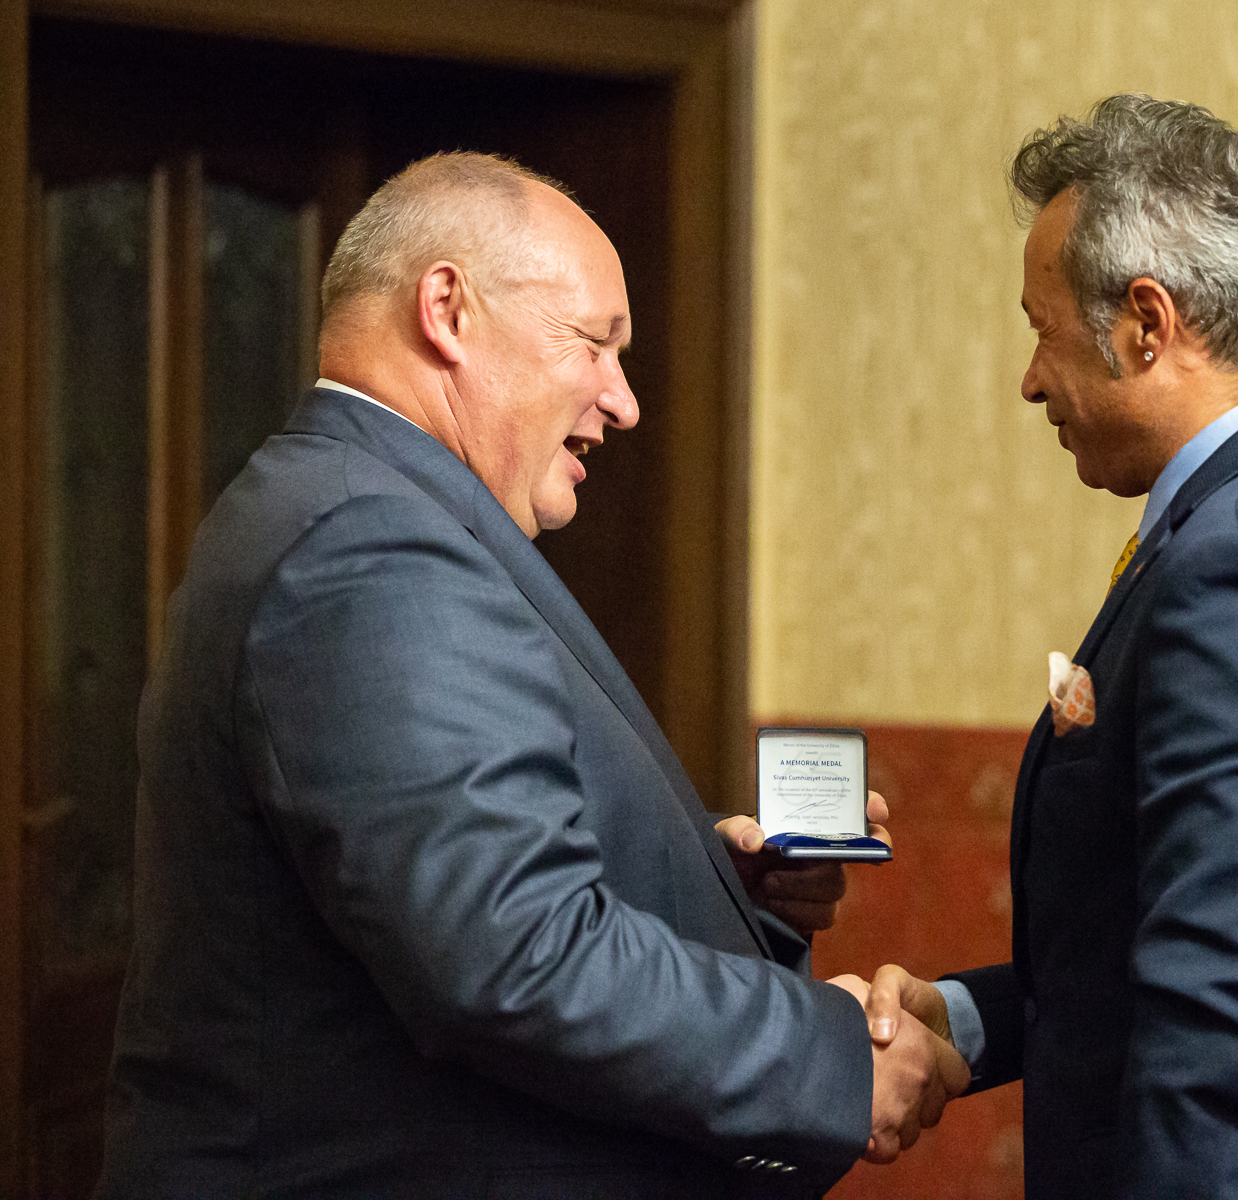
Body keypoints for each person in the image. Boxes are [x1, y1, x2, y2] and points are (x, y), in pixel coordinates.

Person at [98, 152, 965, 1198]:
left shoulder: (357, 508)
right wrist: (830, 1058)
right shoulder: (369, 546)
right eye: (595, 344)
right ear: (448, 310)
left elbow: (441, 887)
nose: (624, 401)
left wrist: (716, 887)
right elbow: (513, 954)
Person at [869, 95, 1238, 1198]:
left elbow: (1211, 1018)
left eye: (1042, 327)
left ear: (1146, 323)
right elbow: (1194, 940)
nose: (1030, 378)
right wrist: (967, 1021)